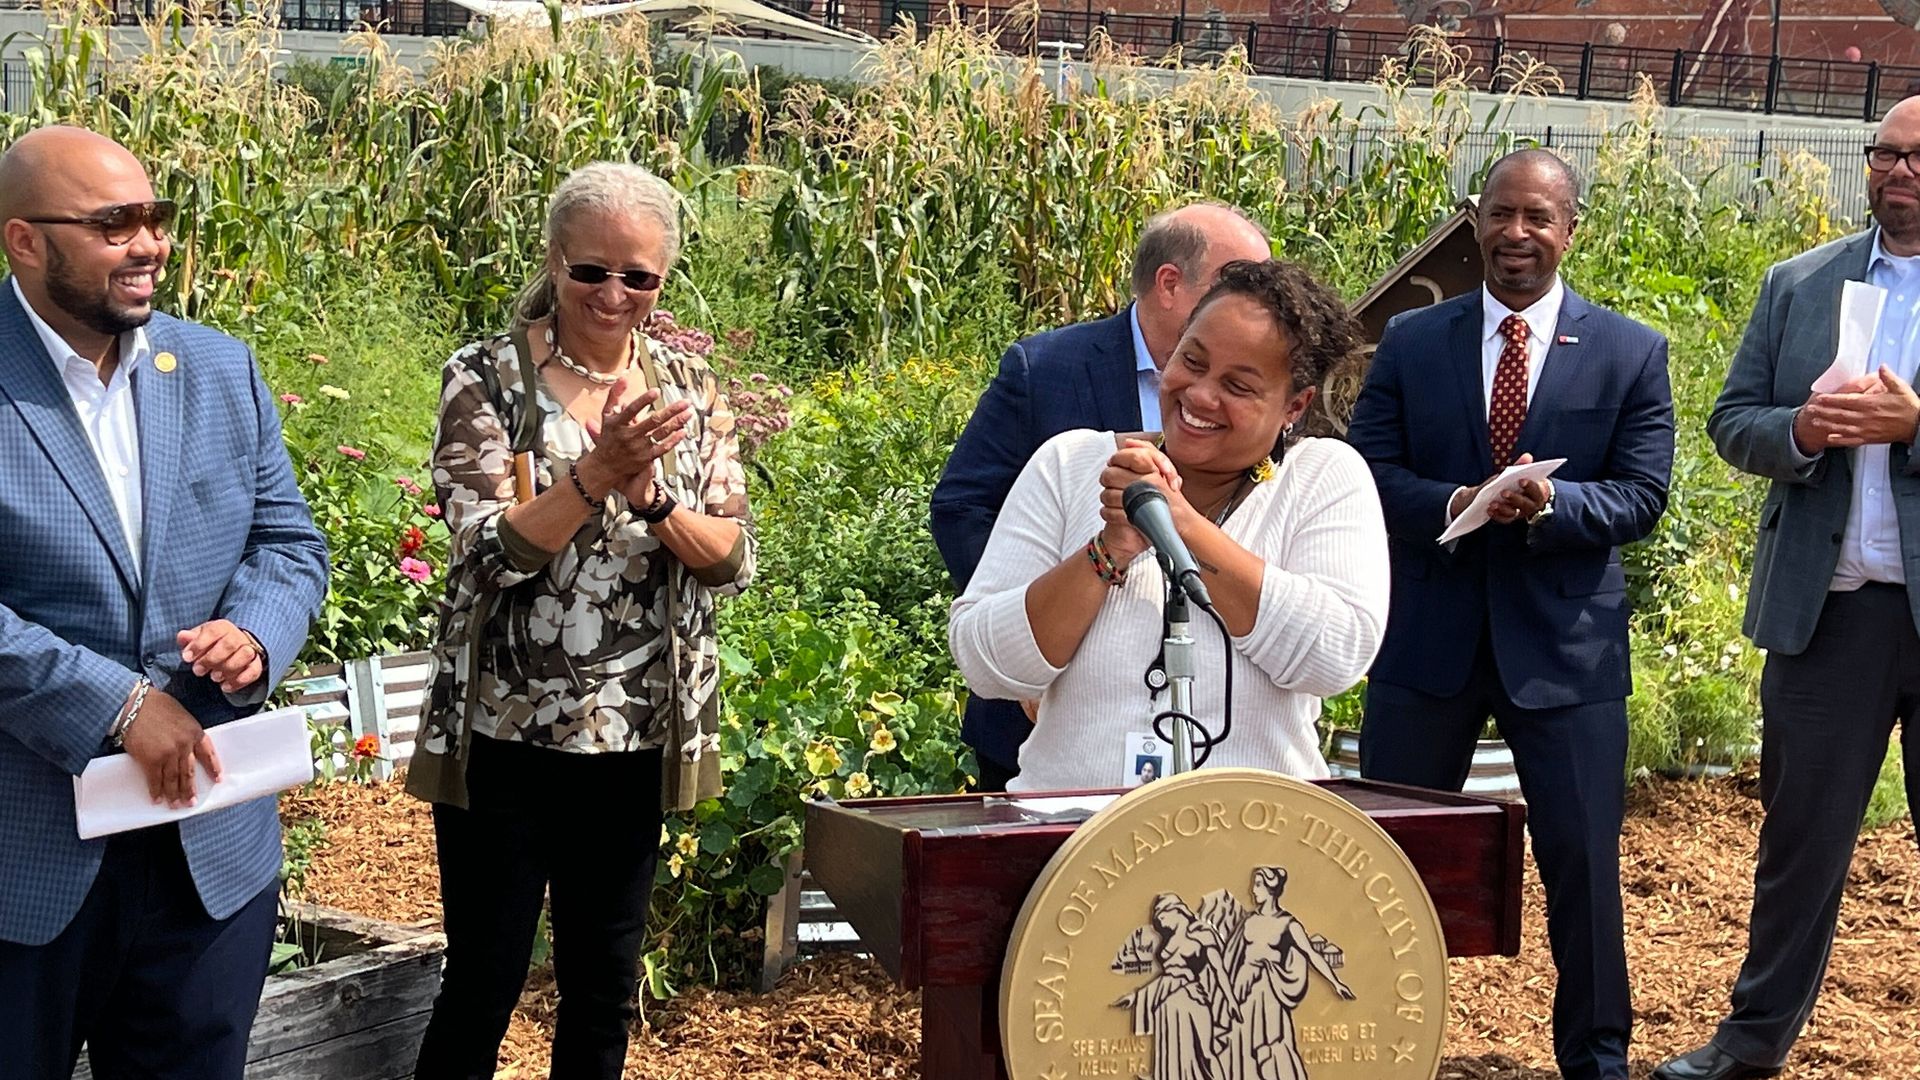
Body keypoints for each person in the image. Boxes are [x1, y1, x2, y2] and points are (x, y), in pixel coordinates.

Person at [405, 162, 756, 1080]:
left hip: (635, 730)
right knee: (483, 977)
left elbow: (732, 559)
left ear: (662, 281)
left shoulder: (686, 388)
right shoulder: (486, 377)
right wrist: (593, 477)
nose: (613, 294)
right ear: (555, 261)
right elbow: (488, 554)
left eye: (637, 277)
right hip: (507, 731)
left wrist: (649, 501)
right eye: (591, 270)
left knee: (602, 986)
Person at [0, 126, 330, 1079]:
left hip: (208, 858)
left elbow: (288, 541)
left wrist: (256, 634)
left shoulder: (218, 369)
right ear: (26, 241)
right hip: (29, 851)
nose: (149, 244)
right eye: (114, 225)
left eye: (155, 218)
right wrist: (118, 704)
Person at [1346, 148, 1674, 1080]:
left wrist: (1556, 507)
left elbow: (1642, 496)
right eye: (1500, 214)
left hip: (1564, 654)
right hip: (1429, 647)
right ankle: (1375, 1047)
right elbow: (1368, 471)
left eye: (1537, 217)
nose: (1515, 234)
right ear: (1475, 220)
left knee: (1582, 867)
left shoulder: (1629, 349)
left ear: (1570, 230)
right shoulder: (1416, 341)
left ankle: (1598, 1058)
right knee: (1392, 861)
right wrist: (1456, 504)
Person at [1649, 99, 1920, 1080]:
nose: (1898, 170)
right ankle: (1752, 1042)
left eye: (1917, 155)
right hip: (1829, 615)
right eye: (1884, 153)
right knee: (1800, 844)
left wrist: (1912, 428)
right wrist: (1801, 433)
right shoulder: (1800, 283)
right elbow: (1731, 422)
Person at [948, 259, 1388, 792]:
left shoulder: (1323, 478)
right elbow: (985, 663)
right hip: (1074, 837)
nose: (1201, 395)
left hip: (1252, 839)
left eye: (1239, 386)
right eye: (1192, 361)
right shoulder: (1068, 466)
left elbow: (1334, 655)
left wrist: (1177, 524)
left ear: (1294, 405)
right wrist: (1109, 549)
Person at [932, 203, 1273, 791]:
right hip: (1044, 727)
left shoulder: (1269, 400)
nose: (1260, 303)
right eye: (1240, 281)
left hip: (1212, 742)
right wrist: (1036, 640)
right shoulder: (1046, 369)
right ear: (1170, 284)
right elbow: (963, 507)